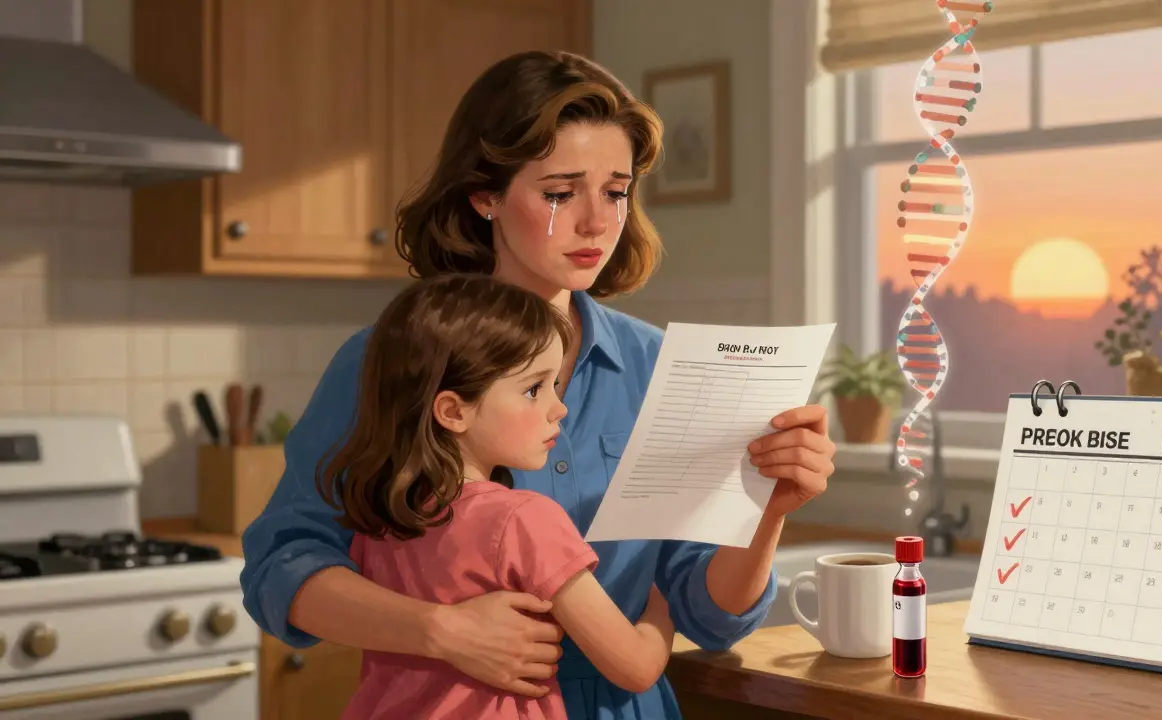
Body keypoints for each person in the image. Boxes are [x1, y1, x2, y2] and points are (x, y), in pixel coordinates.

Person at [239, 49, 838, 719]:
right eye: (560, 192)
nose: (597, 221)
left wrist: (766, 512)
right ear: (484, 195)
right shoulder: (391, 359)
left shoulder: (659, 365)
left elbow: (710, 614)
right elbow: (279, 569)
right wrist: (442, 632)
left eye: (616, 191)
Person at [331, 274, 676, 719]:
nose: (558, 407)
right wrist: (662, 601)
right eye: (534, 389)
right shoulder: (524, 520)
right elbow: (635, 666)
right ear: (454, 411)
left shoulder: (379, 515)